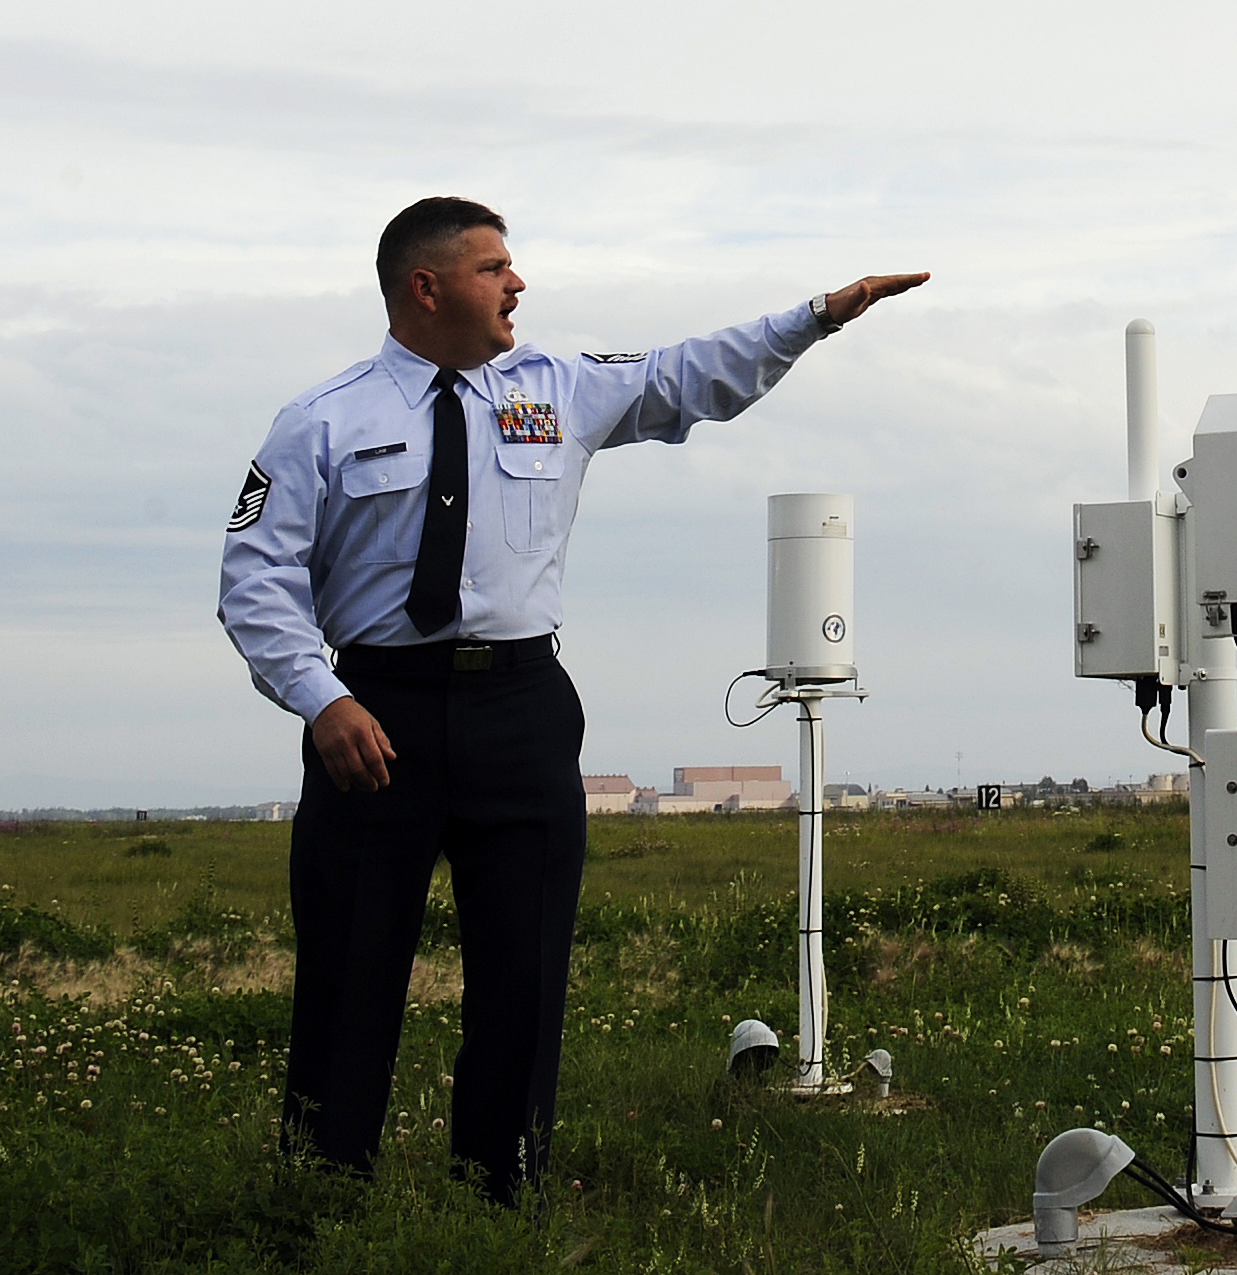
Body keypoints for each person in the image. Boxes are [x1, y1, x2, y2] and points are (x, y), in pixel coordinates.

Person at [218, 194, 926, 1199]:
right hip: (376, 717)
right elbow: (256, 578)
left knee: (523, 973)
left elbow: (690, 375)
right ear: (427, 286)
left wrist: (813, 316)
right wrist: (319, 698)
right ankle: (320, 1201)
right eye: (493, 267)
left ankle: (496, 1199)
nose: (517, 284)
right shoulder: (322, 421)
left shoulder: (556, 386)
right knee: (348, 974)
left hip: (521, 709)